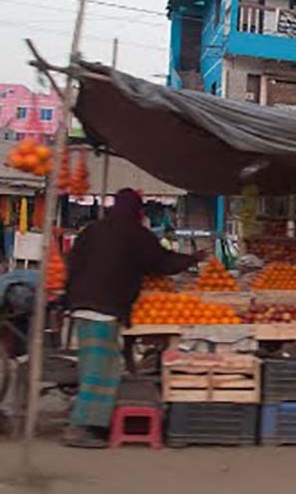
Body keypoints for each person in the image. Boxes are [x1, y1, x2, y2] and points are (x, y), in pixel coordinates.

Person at [64, 189, 201, 448]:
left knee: (94, 366)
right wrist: (192, 259)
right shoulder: (137, 234)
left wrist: (69, 297)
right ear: (137, 210)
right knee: (100, 370)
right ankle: (81, 427)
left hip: (81, 305)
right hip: (104, 309)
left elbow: (72, 262)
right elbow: (162, 262)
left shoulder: (91, 231)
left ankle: (92, 423)